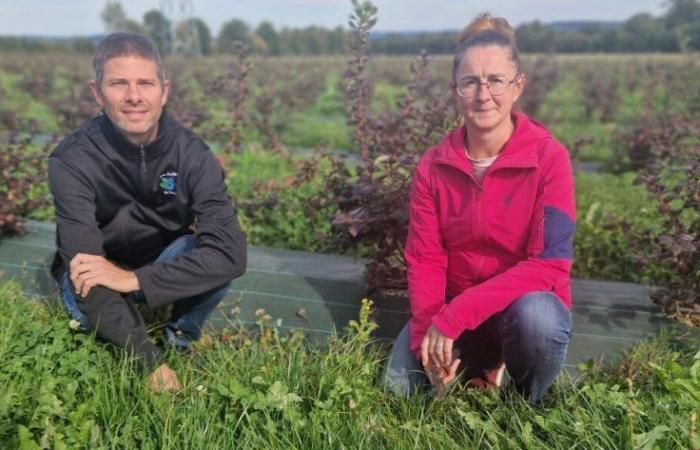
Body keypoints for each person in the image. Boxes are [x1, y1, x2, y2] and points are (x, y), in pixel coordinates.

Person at [383, 14, 575, 403]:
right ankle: (474, 367)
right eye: (470, 82)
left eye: (496, 81)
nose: (483, 95)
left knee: (539, 318)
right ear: (456, 90)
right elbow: (425, 258)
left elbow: (550, 265)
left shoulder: (549, 159)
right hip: (452, 309)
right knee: (399, 392)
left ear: (517, 85)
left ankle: (526, 402)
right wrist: (428, 338)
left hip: (516, 310)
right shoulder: (433, 166)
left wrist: (455, 318)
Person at [48, 33, 247, 392]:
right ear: (97, 93)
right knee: (84, 294)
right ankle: (143, 343)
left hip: (156, 264)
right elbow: (83, 270)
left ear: (164, 91)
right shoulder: (72, 160)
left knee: (211, 255)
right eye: (119, 83)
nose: (134, 97)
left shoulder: (193, 155)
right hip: (94, 271)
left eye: (145, 83)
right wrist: (147, 360)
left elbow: (231, 255)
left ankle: (180, 338)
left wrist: (135, 280)